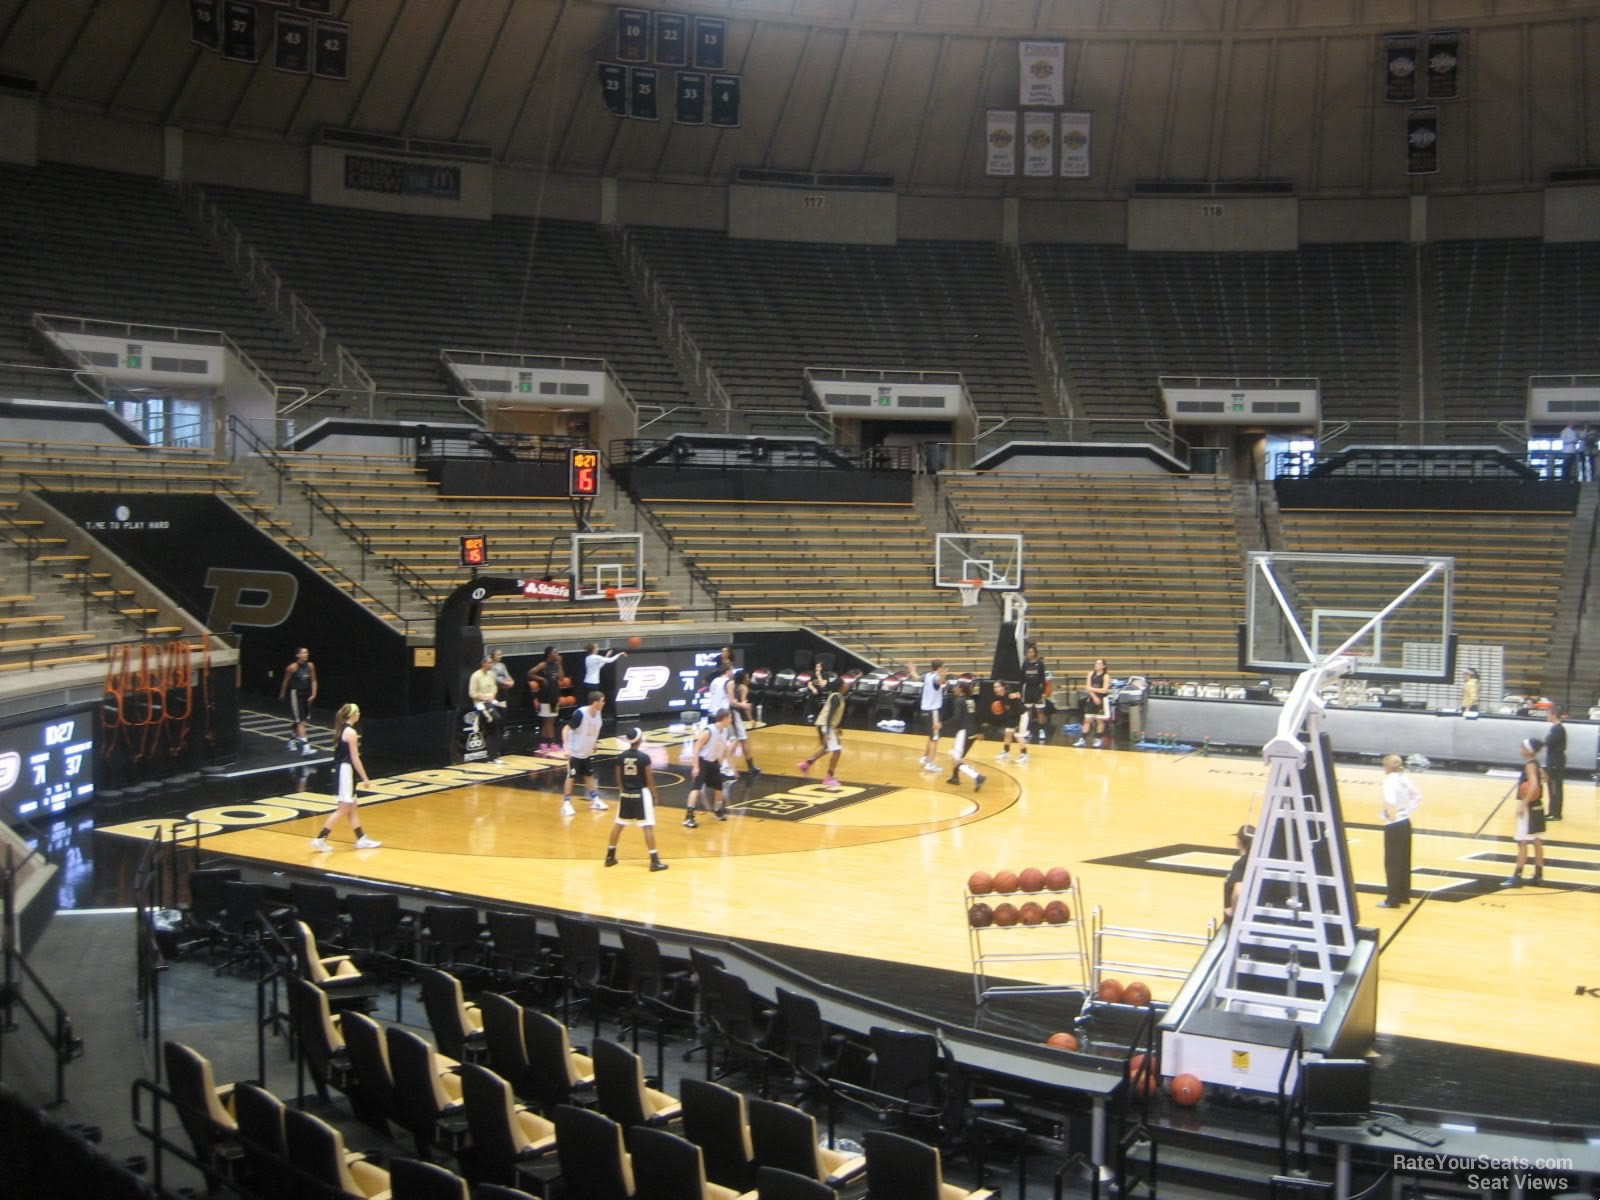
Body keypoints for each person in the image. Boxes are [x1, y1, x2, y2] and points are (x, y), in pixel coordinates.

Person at [310, 703, 380, 851]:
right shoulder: (351, 732)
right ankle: (320, 838)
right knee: (344, 807)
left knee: (352, 807)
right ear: (352, 715)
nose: (360, 714)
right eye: (358, 712)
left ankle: (361, 838)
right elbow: (355, 758)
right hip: (345, 770)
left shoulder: (342, 729)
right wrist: (365, 778)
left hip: (343, 770)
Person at [605, 727, 667, 872]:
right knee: (647, 827)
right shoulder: (644, 758)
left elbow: (618, 779)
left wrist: (623, 792)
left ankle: (609, 856)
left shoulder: (620, 757)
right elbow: (650, 779)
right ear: (639, 739)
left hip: (625, 793)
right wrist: (655, 796)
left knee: (618, 825)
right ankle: (654, 861)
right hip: (641, 793)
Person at [1501, 737, 1547, 887]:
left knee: (1522, 842)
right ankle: (1538, 875)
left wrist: (1523, 804)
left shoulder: (1530, 766)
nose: (1521, 750)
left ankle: (1517, 876)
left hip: (1529, 806)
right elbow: (1546, 778)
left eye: (1523, 747)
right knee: (1537, 841)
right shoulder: (1537, 764)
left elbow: (1533, 785)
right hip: (1538, 805)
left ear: (1528, 750)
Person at [1378, 754, 1422, 908]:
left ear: (1389, 767)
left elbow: (1389, 800)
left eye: (1384, 766)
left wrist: (1390, 816)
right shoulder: (1404, 778)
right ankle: (1403, 895)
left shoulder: (1389, 780)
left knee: (1392, 863)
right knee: (1403, 861)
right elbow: (1417, 797)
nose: (1384, 769)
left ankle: (1392, 899)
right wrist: (1406, 812)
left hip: (1395, 825)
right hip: (1405, 822)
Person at [560, 691, 610, 817]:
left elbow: (594, 729)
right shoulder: (580, 714)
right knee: (571, 777)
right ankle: (566, 804)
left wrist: (594, 743)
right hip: (575, 752)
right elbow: (566, 729)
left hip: (586, 752)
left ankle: (595, 800)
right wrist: (566, 747)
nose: (604, 703)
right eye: (602, 701)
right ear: (595, 703)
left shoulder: (598, 714)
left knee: (589, 775)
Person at [685, 708, 736, 828]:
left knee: (719, 787)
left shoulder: (725, 731)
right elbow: (696, 746)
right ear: (724, 718)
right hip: (702, 761)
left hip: (713, 762)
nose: (731, 720)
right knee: (696, 788)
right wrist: (695, 766)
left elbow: (725, 750)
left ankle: (717, 810)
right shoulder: (709, 730)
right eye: (730, 717)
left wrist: (732, 767)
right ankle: (689, 817)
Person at [798, 670, 847, 789]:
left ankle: (806, 764)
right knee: (837, 750)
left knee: (827, 748)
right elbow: (830, 714)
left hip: (826, 725)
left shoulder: (837, 696)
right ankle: (829, 777)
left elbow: (835, 714)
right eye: (844, 684)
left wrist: (838, 727)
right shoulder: (836, 697)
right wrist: (829, 732)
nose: (847, 685)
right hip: (826, 725)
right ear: (841, 687)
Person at [944, 680, 987, 791]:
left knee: (955, 757)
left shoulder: (958, 701)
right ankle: (955, 777)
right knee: (959, 756)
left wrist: (942, 724)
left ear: (961, 689)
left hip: (964, 732)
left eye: (956, 687)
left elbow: (956, 719)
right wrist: (980, 731)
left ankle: (977, 777)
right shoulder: (970, 700)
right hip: (972, 732)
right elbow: (977, 716)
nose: (954, 689)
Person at [907, 659, 947, 772]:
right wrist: (943, 677)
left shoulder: (927, 675)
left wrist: (912, 671)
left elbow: (916, 677)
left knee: (931, 737)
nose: (944, 669)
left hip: (925, 710)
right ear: (939, 668)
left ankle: (925, 758)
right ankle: (931, 764)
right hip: (933, 711)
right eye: (943, 667)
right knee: (935, 738)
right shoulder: (935, 677)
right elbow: (939, 681)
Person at [278, 646, 318, 756]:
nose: (306, 655)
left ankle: (291, 741)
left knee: (302, 720)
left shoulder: (310, 666)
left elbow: (314, 680)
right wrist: (282, 693)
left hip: (307, 694)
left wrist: (314, 694)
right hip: (296, 694)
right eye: (303, 653)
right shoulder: (292, 667)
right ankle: (306, 747)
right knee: (300, 721)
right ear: (298, 655)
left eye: (307, 653)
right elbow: (285, 681)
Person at [468, 653, 505, 762]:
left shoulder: (491, 674)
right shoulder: (475, 675)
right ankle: (491, 755)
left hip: (491, 702)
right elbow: (472, 693)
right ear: (483, 664)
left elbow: (494, 688)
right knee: (494, 720)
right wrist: (484, 698)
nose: (491, 664)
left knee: (496, 727)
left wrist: (492, 696)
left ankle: (494, 755)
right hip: (481, 704)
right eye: (489, 662)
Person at [530, 646, 563, 753]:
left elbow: (562, 678)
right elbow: (530, 673)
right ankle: (552, 743)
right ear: (549, 654)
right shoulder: (543, 665)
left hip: (554, 695)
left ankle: (543, 743)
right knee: (548, 720)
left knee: (550, 720)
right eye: (555, 652)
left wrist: (560, 664)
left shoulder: (556, 665)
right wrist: (541, 678)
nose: (557, 654)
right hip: (545, 696)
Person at [1018, 642, 1052, 746]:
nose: (1030, 653)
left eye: (1032, 651)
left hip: (1038, 689)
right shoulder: (1025, 664)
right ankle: (1028, 730)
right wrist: (1020, 692)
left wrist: (1043, 692)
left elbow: (1043, 679)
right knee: (1028, 711)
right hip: (1028, 690)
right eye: (1028, 652)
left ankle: (1041, 730)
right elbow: (1022, 679)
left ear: (1035, 653)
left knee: (1039, 711)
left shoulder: (1040, 664)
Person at [728, 668, 761, 775]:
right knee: (742, 740)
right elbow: (744, 705)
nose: (749, 679)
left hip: (728, 713)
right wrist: (751, 718)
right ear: (743, 679)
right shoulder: (743, 687)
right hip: (734, 714)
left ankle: (749, 766)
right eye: (747, 677)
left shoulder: (731, 685)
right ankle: (750, 767)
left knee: (736, 740)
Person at [990, 680, 1028, 764]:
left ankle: (1024, 756)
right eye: (994, 687)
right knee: (1008, 733)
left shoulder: (1008, 694)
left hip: (1022, 715)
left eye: (997, 687)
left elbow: (1013, 695)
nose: (995, 689)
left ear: (1003, 687)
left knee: (1019, 736)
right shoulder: (1000, 696)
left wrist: (1016, 695)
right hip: (1013, 716)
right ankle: (1006, 752)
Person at [1222, 824, 1254, 922]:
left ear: (1239, 842)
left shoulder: (1240, 865)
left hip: (1236, 921)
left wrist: (1233, 911)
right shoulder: (1256, 862)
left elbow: (1239, 890)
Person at [1077, 658, 1112, 747]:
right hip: (1092, 699)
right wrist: (1094, 696)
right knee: (1087, 720)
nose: (1097, 665)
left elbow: (1104, 690)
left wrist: (1092, 689)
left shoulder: (1106, 676)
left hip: (1102, 701)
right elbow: (1087, 688)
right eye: (1096, 663)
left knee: (1100, 721)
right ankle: (1082, 739)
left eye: (1099, 664)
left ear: (1103, 666)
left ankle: (1097, 739)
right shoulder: (1090, 674)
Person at [1544, 707, 1567, 820]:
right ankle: (1552, 811)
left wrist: (1546, 741)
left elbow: (1549, 743)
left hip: (1556, 760)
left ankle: (1556, 813)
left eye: (1548, 714)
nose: (1547, 716)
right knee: (1552, 786)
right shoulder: (1555, 728)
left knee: (1555, 786)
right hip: (1554, 758)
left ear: (1553, 715)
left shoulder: (1557, 729)